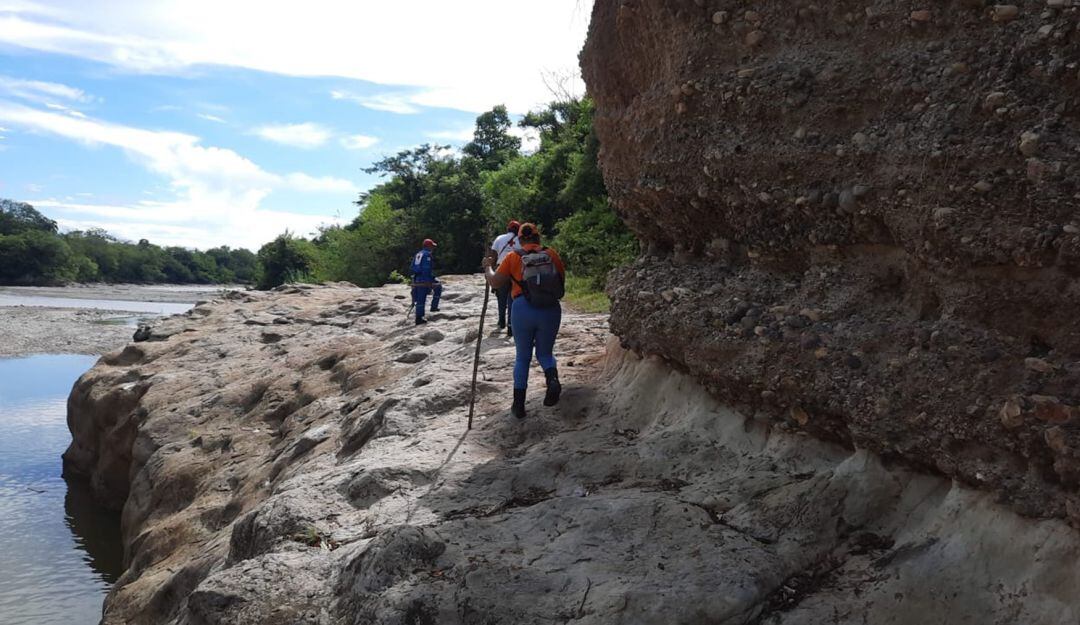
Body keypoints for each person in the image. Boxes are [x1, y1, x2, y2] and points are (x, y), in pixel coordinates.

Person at [482, 223, 566, 419]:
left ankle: (518, 405)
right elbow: (561, 282)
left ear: (520, 240)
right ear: (538, 238)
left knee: (522, 357)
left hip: (522, 309)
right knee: (545, 353)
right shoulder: (551, 254)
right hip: (550, 309)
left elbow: (495, 281)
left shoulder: (513, 257)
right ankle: (552, 379)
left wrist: (488, 267)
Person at [489, 220, 522, 336]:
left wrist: (491, 272)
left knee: (501, 297)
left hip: (501, 268)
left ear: (508, 229)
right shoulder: (521, 240)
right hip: (515, 271)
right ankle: (511, 325)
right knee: (512, 298)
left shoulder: (499, 238)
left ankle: (501, 320)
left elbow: (493, 256)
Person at [411, 238, 442, 325]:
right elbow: (426, 268)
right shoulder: (427, 255)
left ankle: (433, 308)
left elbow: (412, 267)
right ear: (428, 246)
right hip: (423, 279)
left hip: (417, 278)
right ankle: (419, 318)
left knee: (437, 287)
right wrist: (429, 280)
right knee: (422, 297)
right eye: (432, 246)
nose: (433, 248)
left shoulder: (418, 254)